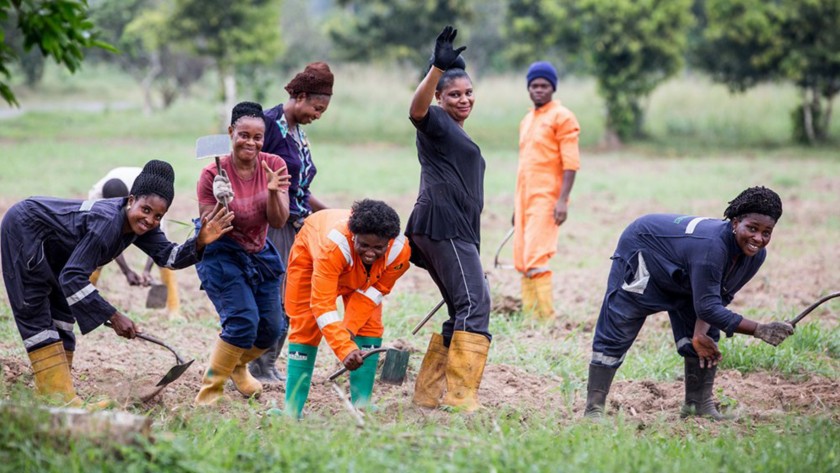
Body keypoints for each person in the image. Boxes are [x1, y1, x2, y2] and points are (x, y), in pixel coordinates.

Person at [0, 160, 233, 407]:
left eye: (158, 216)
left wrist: (199, 242)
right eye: (146, 210)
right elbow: (73, 278)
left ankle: (56, 392)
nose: (149, 220)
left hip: (57, 248)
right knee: (34, 307)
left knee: (62, 315)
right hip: (25, 229)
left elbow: (168, 257)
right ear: (131, 200)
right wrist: (113, 315)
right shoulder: (107, 223)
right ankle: (59, 398)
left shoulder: (142, 226)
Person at [583, 186, 795, 420]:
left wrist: (699, 333)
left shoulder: (754, 256)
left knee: (706, 336)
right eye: (752, 228)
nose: (758, 238)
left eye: (767, 232)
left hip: (684, 270)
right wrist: (759, 329)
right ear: (735, 223)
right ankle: (594, 409)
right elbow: (708, 307)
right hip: (645, 251)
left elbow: (718, 298)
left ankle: (698, 405)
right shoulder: (712, 248)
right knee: (620, 324)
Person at [407, 26, 492, 413]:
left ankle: (428, 395)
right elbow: (416, 111)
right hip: (443, 226)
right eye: (454, 94)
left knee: (463, 307)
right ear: (441, 97)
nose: (464, 99)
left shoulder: (455, 131)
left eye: (468, 93)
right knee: (476, 303)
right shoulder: (437, 121)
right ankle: (461, 398)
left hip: (453, 230)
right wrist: (436, 71)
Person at [194, 101, 292, 406]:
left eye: (257, 137)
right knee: (242, 321)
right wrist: (223, 202)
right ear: (230, 133)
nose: (251, 142)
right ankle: (209, 393)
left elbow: (278, 221)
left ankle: (236, 363)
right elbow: (211, 230)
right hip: (223, 250)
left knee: (271, 328)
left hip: (259, 250)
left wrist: (274, 191)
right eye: (243, 135)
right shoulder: (212, 173)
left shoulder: (274, 165)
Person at [283, 199, 410, 417]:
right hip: (313, 256)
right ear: (354, 237)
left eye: (378, 247)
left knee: (369, 324)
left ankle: (362, 403)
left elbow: (376, 290)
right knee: (305, 325)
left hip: (361, 272)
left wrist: (348, 330)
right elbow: (322, 305)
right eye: (364, 245)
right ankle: (292, 410)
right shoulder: (333, 247)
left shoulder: (400, 251)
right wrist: (344, 348)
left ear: (389, 242)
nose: (370, 253)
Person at [248, 62, 334, 384]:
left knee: (294, 294)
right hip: (274, 223)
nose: (318, 114)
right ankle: (258, 364)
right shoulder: (268, 126)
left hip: (298, 223)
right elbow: (251, 173)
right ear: (299, 96)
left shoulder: (298, 131)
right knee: (276, 293)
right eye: (316, 107)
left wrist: (331, 214)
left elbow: (300, 189)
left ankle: (267, 362)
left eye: (323, 110)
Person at [513, 61, 580, 321]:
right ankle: (529, 316)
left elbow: (571, 163)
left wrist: (562, 199)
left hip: (547, 198)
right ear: (528, 89)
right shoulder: (527, 119)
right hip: (524, 198)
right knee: (521, 258)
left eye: (544, 86)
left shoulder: (562, 117)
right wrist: (515, 207)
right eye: (534, 86)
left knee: (536, 255)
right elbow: (525, 166)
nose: (538, 90)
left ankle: (545, 318)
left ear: (553, 88)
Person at [87, 167, 182, 318]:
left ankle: (173, 309)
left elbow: (158, 242)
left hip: (145, 193)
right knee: (95, 250)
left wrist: (146, 271)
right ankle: (84, 305)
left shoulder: (152, 197)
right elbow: (107, 238)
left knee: (165, 255)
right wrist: (127, 271)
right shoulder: (96, 196)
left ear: (129, 200)